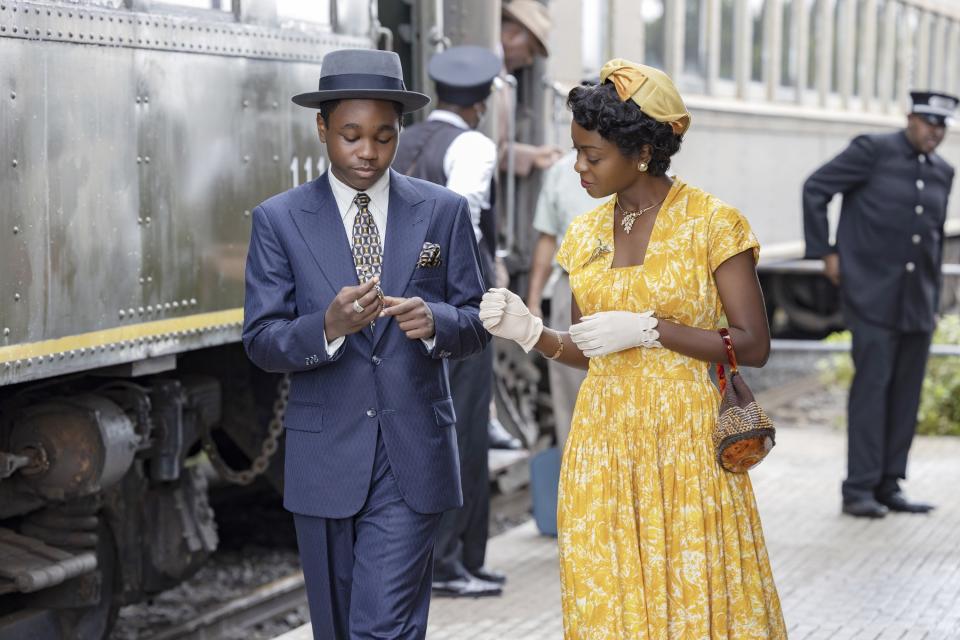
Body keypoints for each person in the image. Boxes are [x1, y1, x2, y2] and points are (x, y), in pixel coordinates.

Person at [480, 58, 786, 637]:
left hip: (686, 444)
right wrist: (530, 333)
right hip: (602, 441)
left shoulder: (712, 225)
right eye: (576, 151)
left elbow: (753, 344)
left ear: (641, 151)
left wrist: (653, 330)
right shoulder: (586, 232)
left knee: (691, 591)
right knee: (610, 598)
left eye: (592, 155)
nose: (578, 167)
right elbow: (588, 348)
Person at [242, 49, 489, 640]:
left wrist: (438, 322)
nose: (367, 152)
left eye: (383, 136)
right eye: (351, 135)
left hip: (412, 453)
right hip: (325, 456)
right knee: (338, 629)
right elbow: (260, 340)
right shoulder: (279, 220)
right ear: (322, 128)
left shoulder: (443, 211)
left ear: (399, 132)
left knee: (383, 626)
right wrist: (326, 327)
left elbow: (479, 318)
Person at [803, 90, 957, 519]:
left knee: (906, 393)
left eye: (942, 126)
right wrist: (826, 251)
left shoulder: (944, 171)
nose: (934, 132)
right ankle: (858, 489)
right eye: (928, 123)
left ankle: (890, 484)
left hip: (918, 300)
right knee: (872, 389)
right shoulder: (872, 151)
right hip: (871, 294)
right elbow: (816, 188)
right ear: (910, 118)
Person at [393, 45, 505, 598]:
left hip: (394, 309)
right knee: (462, 430)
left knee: (422, 430)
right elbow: (461, 216)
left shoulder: (402, 140)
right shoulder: (474, 144)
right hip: (457, 309)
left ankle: (460, 558)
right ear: (481, 104)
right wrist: (433, 273)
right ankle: (452, 561)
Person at [527, 147, 598, 448]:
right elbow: (548, 239)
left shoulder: (636, 166)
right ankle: (575, 483)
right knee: (570, 397)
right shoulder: (560, 170)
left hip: (623, 289)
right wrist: (532, 302)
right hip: (569, 287)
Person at [497, 0, 564, 176]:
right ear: (512, 35)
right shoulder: (493, 72)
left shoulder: (502, 74)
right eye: (530, 50)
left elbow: (492, 146)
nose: (529, 61)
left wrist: (532, 156)